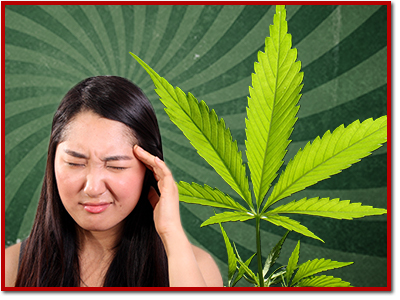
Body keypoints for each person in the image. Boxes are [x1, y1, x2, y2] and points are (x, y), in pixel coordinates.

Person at [4, 76, 223, 287]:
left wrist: (171, 232)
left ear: (150, 169)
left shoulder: (197, 268)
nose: (93, 188)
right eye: (75, 163)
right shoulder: (10, 267)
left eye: (115, 166)